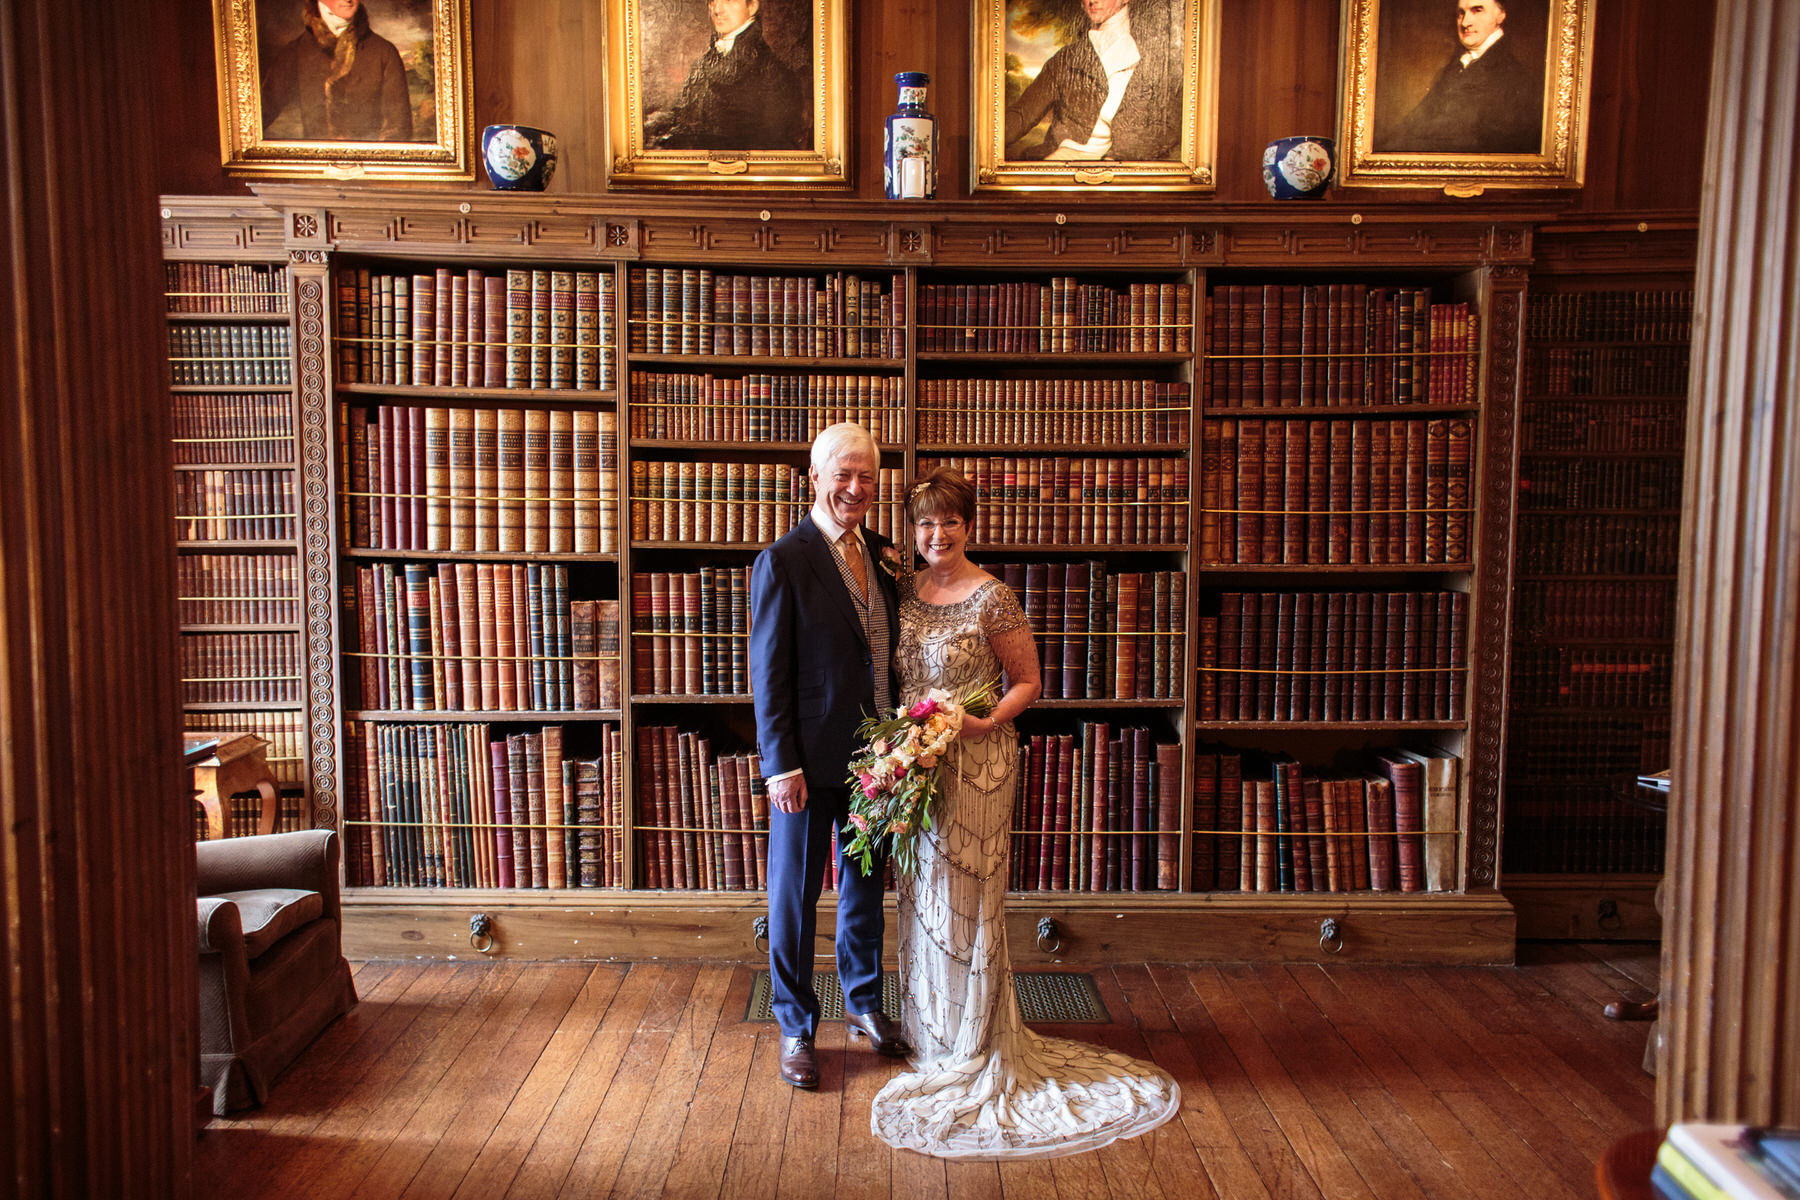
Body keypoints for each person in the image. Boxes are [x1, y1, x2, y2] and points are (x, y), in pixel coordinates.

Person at [869, 467, 1181, 1158]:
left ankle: (975, 1038)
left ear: (969, 526)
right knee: (920, 891)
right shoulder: (903, 592)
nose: (936, 534)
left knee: (968, 897)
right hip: (917, 763)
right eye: (924, 523)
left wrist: (979, 726)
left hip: (978, 763)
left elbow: (1029, 682)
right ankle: (934, 1036)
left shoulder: (994, 597)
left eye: (949, 521)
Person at [749, 422, 910, 1090]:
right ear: (813, 478)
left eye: (866, 476)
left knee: (864, 890)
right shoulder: (784, 560)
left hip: (875, 762)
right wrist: (778, 763)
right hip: (806, 765)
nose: (854, 487)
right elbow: (768, 671)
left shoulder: (886, 555)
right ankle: (795, 1025)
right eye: (841, 474)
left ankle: (866, 1003)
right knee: (792, 898)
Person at [1004, 0, 1182, 162]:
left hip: (1126, 162)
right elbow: (1023, 114)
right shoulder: (1066, 58)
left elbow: (1173, 124)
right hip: (1063, 156)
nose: (1092, 1)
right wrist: (987, 144)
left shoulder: (1155, 56)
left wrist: (1120, 156)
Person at [1379, 0, 1543, 154]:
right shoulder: (1451, 70)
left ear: (1501, 15)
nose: (1465, 23)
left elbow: (1472, 143)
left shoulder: (1513, 78)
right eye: (1460, 13)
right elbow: (1410, 127)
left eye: (1477, 11)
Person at [644, 0, 808, 151]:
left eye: (728, 0)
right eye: (712, 1)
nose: (717, 9)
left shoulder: (774, 74)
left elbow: (774, 148)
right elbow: (681, 114)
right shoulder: (703, 64)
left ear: (752, 7)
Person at [259, 0, 414, 143]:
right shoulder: (295, 52)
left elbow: (399, 128)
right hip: (314, 167)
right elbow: (257, 118)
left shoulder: (384, 52)